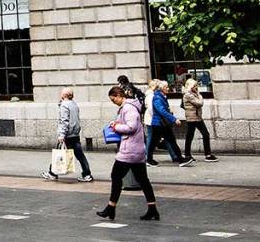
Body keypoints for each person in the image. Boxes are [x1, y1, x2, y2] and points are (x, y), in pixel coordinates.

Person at [96, 85, 160, 222]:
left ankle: (111, 208)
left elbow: (131, 127)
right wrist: (117, 122)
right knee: (143, 180)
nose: (114, 102)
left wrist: (116, 127)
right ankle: (152, 209)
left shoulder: (129, 108)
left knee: (116, 176)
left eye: (114, 100)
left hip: (129, 150)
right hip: (136, 150)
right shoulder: (129, 107)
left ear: (119, 96)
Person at [42, 87, 93, 182]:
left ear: (64, 95)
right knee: (80, 156)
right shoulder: (74, 104)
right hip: (75, 134)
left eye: (61, 93)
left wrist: (62, 134)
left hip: (67, 135)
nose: (60, 94)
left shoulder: (64, 105)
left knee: (58, 153)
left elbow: (64, 121)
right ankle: (87, 174)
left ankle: (52, 173)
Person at [148, 80, 191, 166]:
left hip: (162, 123)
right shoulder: (157, 97)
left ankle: (180, 159)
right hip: (159, 124)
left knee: (170, 140)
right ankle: (149, 159)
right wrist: (174, 119)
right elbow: (161, 111)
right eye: (166, 87)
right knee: (155, 142)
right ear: (161, 89)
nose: (168, 88)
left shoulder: (162, 96)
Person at [181, 78, 217, 162]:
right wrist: (199, 95)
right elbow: (199, 103)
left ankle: (204, 154)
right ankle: (189, 154)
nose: (196, 87)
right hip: (192, 118)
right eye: (194, 86)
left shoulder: (193, 94)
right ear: (190, 86)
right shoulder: (188, 95)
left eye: (196, 85)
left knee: (202, 134)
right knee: (192, 136)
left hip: (197, 117)